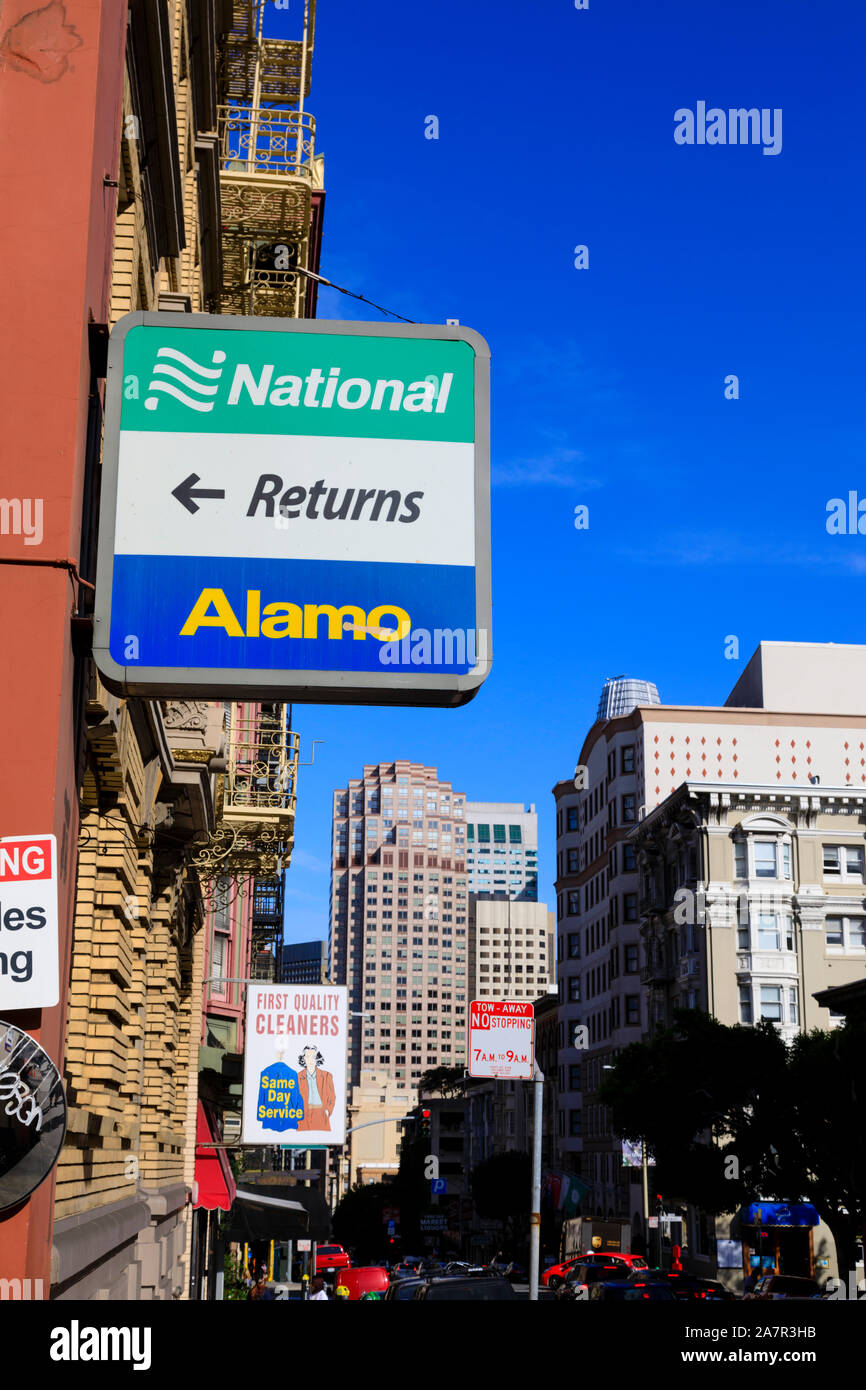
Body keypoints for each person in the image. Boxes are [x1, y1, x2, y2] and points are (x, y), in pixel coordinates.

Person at [297, 1046, 336, 1132]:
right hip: (304, 1116)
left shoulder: (327, 1076)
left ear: (317, 1059)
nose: (310, 1060)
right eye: (307, 1057)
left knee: (321, 1141)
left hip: (321, 1114)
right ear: (303, 1059)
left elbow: (332, 1097)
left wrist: (328, 1111)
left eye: (313, 1057)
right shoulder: (297, 1077)